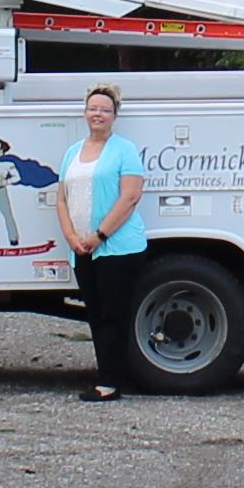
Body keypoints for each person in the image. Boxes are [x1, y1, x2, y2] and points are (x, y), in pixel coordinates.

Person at [46, 84, 147, 399]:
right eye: (93, 108)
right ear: (85, 112)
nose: (98, 114)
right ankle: (108, 376)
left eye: (105, 109)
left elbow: (130, 196)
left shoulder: (124, 150)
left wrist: (99, 235)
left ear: (114, 115)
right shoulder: (71, 152)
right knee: (96, 313)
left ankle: (109, 383)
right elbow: (61, 199)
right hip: (82, 250)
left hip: (117, 248)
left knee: (113, 315)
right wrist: (73, 237)